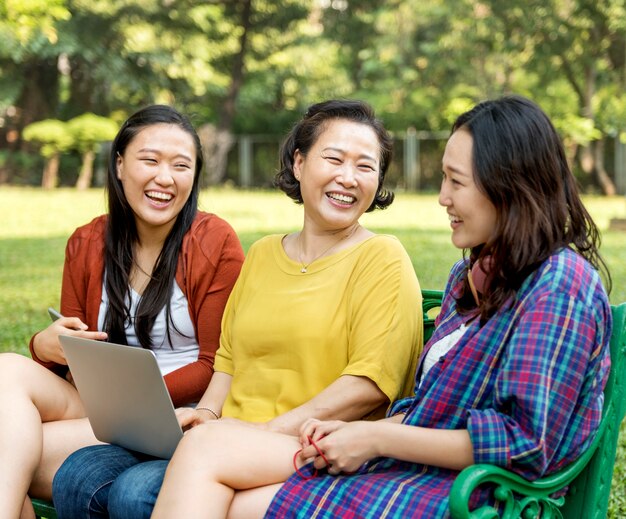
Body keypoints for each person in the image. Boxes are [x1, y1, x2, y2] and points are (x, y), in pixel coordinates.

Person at [148, 95, 613, 519]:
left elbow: (522, 444)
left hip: (477, 495)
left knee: (217, 470)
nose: (442, 197)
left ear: (508, 186)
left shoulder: (559, 284)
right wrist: (347, 435)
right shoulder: (474, 273)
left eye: (456, 182)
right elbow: (427, 403)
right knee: (210, 453)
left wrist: (374, 436)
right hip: (411, 464)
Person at [52, 99, 423, 517]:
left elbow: (367, 386)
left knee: (135, 492)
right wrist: (207, 415)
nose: (347, 178)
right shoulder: (265, 253)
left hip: (306, 443)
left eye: (365, 167)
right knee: (79, 475)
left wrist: (257, 433)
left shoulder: (383, 257)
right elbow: (228, 360)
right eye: (333, 159)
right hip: (225, 434)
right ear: (299, 163)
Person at [0, 105, 244, 519]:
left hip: (177, 414)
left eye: (181, 165)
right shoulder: (87, 241)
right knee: (7, 368)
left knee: (11, 450)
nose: (164, 178)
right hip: (100, 406)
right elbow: (72, 350)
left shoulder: (214, 241)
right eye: (149, 160)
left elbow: (216, 360)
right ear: (119, 165)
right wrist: (45, 344)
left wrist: (135, 402)